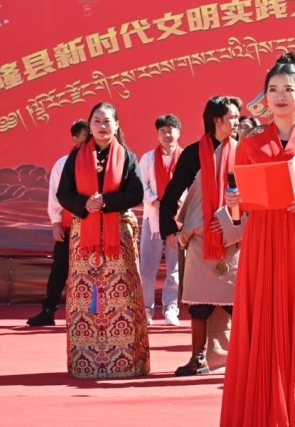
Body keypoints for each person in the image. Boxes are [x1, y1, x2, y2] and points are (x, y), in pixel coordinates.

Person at [220, 52, 295, 426]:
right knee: (261, 322)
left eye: (288, 89)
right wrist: (234, 203)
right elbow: (240, 201)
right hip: (261, 238)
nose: (280, 96)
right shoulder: (250, 143)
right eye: (273, 89)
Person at [56, 102, 148, 379]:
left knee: (122, 297)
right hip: (84, 235)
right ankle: (85, 362)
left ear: (116, 125)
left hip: (117, 235)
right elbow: (63, 194)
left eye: (107, 121)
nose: (102, 126)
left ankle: (125, 363)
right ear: (90, 125)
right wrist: (86, 204)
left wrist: (105, 201)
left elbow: (136, 193)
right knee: (85, 298)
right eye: (96, 121)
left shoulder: (127, 156)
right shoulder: (76, 157)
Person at [160, 97, 242, 377]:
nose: (237, 121)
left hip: (233, 238)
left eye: (238, 116)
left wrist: (232, 223)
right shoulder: (193, 153)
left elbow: (252, 196)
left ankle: (246, 357)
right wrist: (169, 230)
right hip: (199, 238)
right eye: (232, 117)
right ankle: (198, 359)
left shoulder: (243, 152)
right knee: (199, 304)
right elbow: (172, 193)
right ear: (217, 120)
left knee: (237, 302)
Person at [27, 119, 89, 327]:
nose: (89, 139)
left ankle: (93, 312)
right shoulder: (64, 163)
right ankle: (48, 310)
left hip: (93, 227)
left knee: (94, 271)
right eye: (85, 135)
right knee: (60, 269)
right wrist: (55, 223)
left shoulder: (100, 162)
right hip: (69, 226)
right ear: (75, 138)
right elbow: (55, 196)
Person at [138, 114, 183, 326]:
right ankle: (146, 308)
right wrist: (156, 202)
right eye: (163, 131)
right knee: (147, 267)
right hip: (153, 219)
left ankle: (171, 308)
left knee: (175, 267)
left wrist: (178, 202)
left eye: (171, 130)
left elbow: (192, 185)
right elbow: (141, 186)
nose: (167, 135)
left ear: (178, 132)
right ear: (157, 135)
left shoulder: (186, 158)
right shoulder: (148, 158)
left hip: (177, 219)